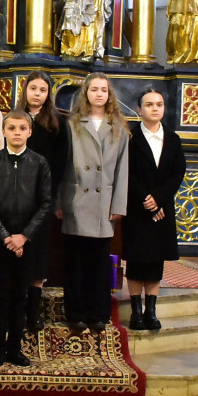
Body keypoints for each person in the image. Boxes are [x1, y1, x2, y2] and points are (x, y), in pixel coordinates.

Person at [58, 73, 129, 331]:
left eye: (104, 90)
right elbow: (64, 165)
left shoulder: (119, 128)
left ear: (109, 95)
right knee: (75, 261)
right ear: (85, 93)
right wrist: (59, 201)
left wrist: (118, 205)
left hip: (103, 202)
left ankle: (98, 313)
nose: (99, 94)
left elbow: (123, 170)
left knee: (98, 262)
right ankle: (75, 313)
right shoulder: (73, 124)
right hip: (77, 198)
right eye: (94, 89)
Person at [0, 111, 52, 367]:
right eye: (12, 128)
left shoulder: (39, 163)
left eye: (22, 128)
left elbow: (45, 203)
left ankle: (15, 347)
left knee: (20, 297)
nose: (17, 132)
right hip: (1, 243)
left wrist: (23, 236)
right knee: (0, 296)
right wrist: (5, 237)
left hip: (26, 242)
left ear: (29, 132)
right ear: (4, 131)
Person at [122, 88, 186, 330]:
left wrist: (158, 199)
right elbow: (128, 172)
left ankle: (151, 311)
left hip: (162, 209)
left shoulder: (173, 139)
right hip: (138, 208)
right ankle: (136, 311)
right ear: (139, 110)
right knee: (138, 261)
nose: (155, 108)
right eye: (149, 105)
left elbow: (177, 172)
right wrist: (146, 201)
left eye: (159, 104)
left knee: (156, 262)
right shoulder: (130, 137)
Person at [17, 71, 69, 329]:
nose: (37, 93)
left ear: (48, 94)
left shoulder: (57, 123)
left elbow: (61, 162)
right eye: (33, 88)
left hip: (43, 197)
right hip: (14, 197)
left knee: (38, 255)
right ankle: (16, 306)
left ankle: (33, 310)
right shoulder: (15, 120)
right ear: (25, 90)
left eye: (42, 90)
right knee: (17, 252)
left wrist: (51, 195)